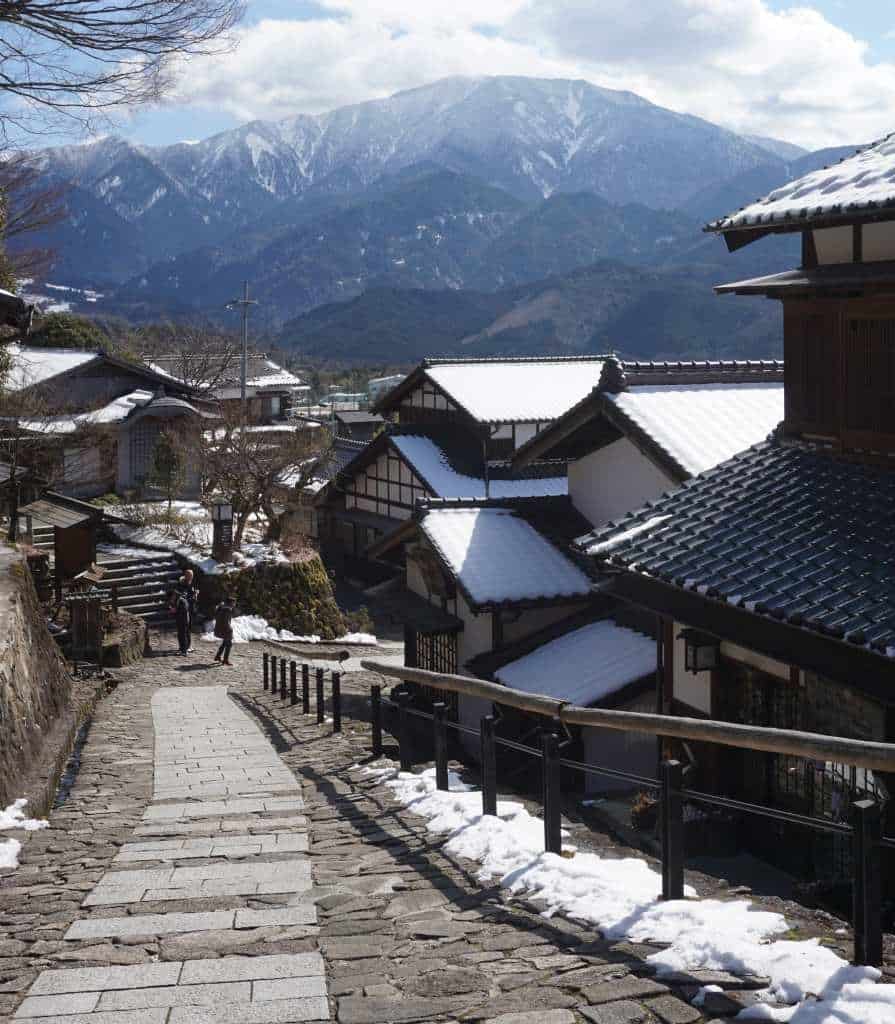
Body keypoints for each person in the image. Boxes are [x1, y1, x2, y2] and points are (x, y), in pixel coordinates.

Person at [173, 569, 198, 654]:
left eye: (192, 575)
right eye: (189, 575)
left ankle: (188, 646)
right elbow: (182, 596)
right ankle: (183, 647)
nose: (191, 577)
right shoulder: (181, 584)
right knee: (183, 629)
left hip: (190, 609)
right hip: (183, 610)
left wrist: (195, 594)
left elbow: (192, 595)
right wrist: (193, 597)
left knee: (188, 629)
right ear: (185, 575)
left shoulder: (192, 583)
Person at [213, 596, 235, 666]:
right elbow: (226, 621)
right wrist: (230, 629)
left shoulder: (221, 608)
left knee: (225, 643)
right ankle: (225, 660)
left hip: (220, 628)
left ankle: (218, 656)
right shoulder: (227, 610)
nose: (234, 604)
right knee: (229, 644)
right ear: (231, 603)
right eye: (234, 602)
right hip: (225, 629)